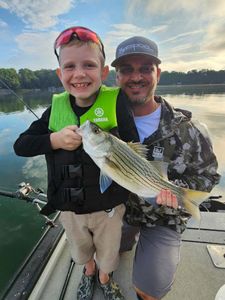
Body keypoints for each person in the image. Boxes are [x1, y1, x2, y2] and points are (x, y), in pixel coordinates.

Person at [13, 26, 135, 300]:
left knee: (108, 250)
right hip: (69, 209)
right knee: (80, 250)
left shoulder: (117, 104)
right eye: (69, 66)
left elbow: (135, 149)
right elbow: (20, 145)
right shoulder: (53, 110)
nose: (79, 74)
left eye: (89, 65)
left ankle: (105, 278)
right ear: (60, 74)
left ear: (104, 73)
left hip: (109, 209)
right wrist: (53, 140)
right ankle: (89, 273)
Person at [111, 36, 221, 300]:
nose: (136, 77)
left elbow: (209, 175)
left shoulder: (188, 129)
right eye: (127, 69)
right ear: (116, 77)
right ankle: (123, 244)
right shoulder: (104, 122)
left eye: (145, 68)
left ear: (158, 73)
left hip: (163, 217)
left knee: (150, 290)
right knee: (106, 254)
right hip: (119, 212)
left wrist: (178, 193)